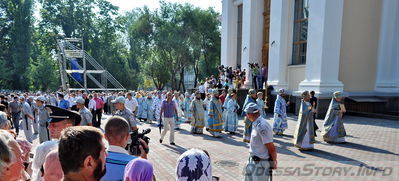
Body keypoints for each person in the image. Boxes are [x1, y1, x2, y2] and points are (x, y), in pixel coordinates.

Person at [102, 116, 144, 181]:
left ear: (105, 137)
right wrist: (145, 160)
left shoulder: (95, 162)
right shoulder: (138, 164)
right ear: (127, 137)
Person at [243, 103, 277, 180]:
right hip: (252, 160)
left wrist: (274, 162)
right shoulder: (256, 123)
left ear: (249, 114)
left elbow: (271, 148)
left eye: (246, 114)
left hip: (260, 164)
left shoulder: (262, 126)